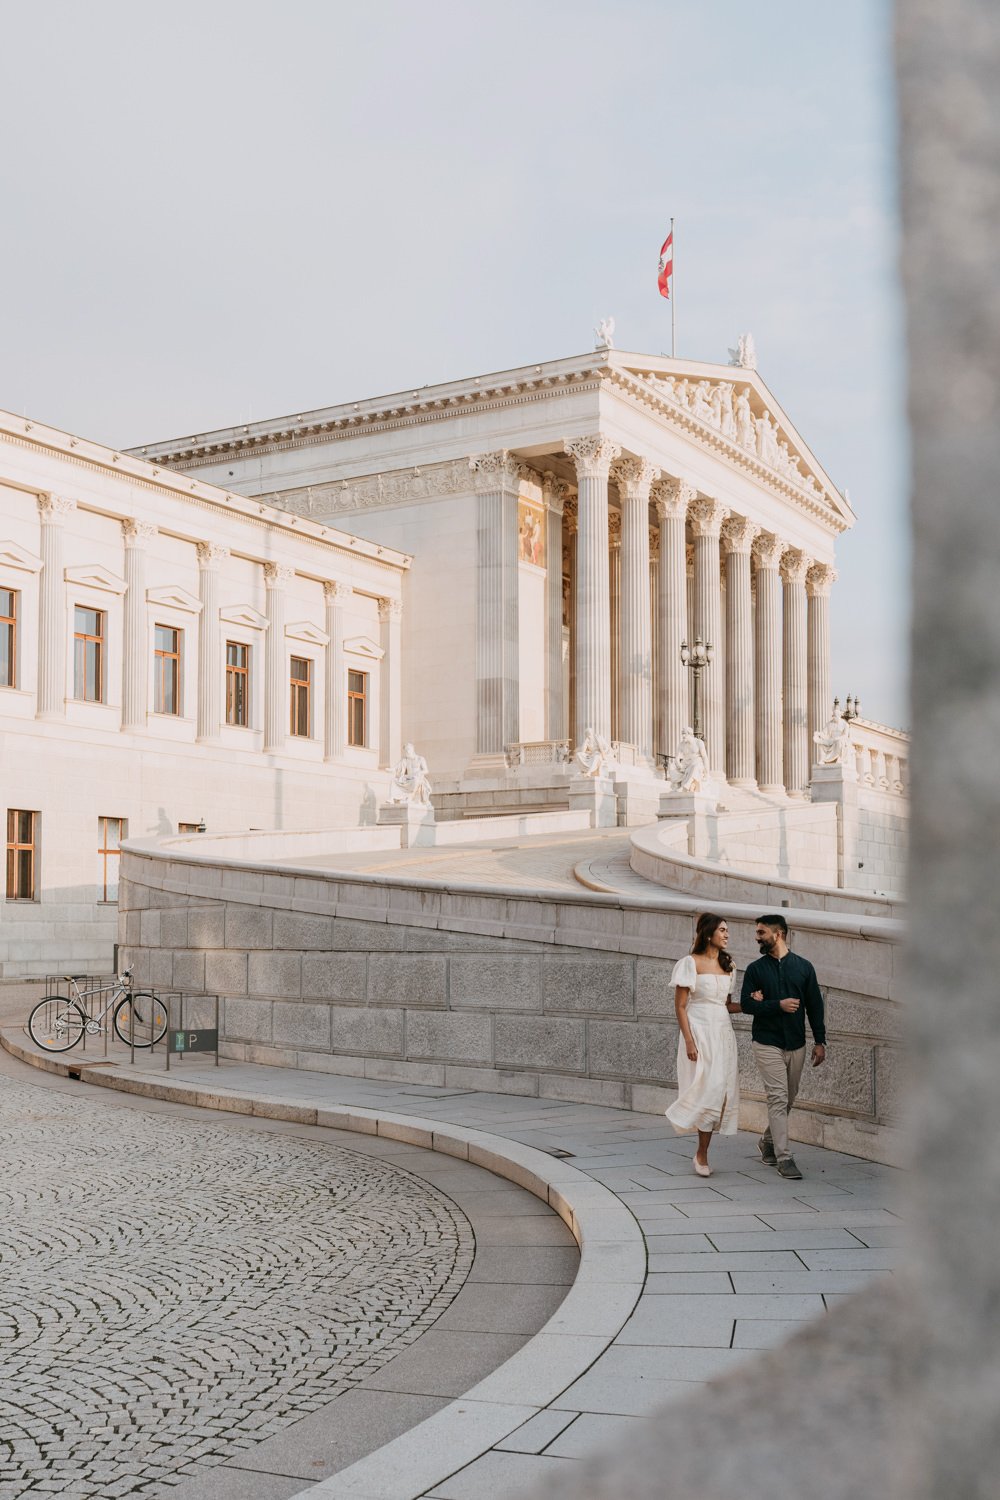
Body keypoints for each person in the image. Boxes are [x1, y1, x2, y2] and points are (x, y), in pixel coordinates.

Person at [740, 914, 826, 1180]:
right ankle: (784, 1157)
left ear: (778, 934)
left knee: (788, 1098)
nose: (757, 937)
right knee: (777, 1097)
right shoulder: (755, 969)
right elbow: (746, 1004)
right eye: (757, 933)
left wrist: (820, 1041)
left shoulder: (804, 967)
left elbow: (815, 1006)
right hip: (766, 1043)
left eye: (761, 933)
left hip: (796, 1043)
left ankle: (767, 1141)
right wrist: (776, 1004)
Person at [665, 913, 742, 1177]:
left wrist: (752, 1003)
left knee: (719, 1090)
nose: (726, 935)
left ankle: (702, 1150)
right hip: (698, 1031)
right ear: (708, 934)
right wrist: (689, 1040)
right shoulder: (690, 963)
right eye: (722, 930)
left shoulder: (730, 964)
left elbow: (727, 1005)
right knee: (705, 1089)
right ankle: (702, 1154)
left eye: (727, 930)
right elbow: (681, 1006)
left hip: (722, 1033)